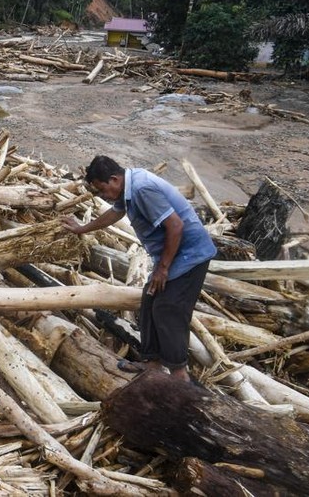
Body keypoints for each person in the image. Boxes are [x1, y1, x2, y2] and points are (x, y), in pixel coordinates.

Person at [60, 155, 216, 383]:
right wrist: (83, 228)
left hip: (190, 254)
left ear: (114, 179)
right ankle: (152, 364)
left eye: (102, 189)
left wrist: (162, 269)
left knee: (168, 309)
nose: (102, 195)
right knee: (151, 299)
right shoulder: (128, 187)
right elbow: (115, 212)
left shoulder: (142, 189)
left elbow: (175, 226)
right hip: (174, 254)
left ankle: (179, 375)